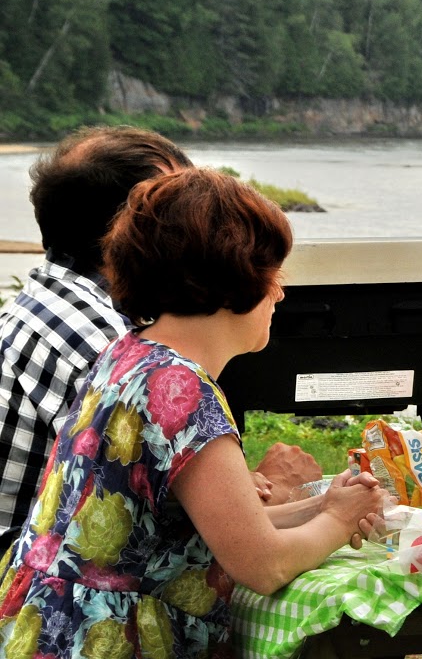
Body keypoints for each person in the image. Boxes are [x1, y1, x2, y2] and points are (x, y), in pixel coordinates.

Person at [0, 168, 408, 659]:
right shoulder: (182, 390)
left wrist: (327, 509)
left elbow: (226, 529)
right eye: (272, 271)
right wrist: (336, 519)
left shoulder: (134, 361)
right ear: (226, 280)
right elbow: (258, 561)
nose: (281, 291)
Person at [0, 126, 319, 555]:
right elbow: (202, 529)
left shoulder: (48, 303)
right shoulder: (106, 342)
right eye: (177, 199)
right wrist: (274, 488)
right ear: (134, 225)